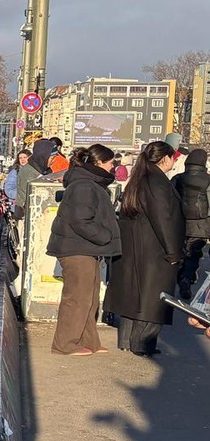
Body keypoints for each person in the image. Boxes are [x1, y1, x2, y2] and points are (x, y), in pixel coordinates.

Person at [104, 141, 188, 355]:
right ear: (165, 158)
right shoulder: (156, 182)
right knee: (154, 299)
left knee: (132, 297)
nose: (174, 162)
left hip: (136, 246)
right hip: (154, 249)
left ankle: (126, 340)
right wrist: (173, 252)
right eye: (173, 158)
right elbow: (163, 219)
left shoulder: (140, 178)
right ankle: (142, 343)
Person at [46, 144, 121, 355]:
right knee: (77, 298)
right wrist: (105, 236)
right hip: (76, 248)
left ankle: (89, 341)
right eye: (111, 163)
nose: (113, 167)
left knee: (89, 297)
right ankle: (65, 344)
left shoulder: (88, 183)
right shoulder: (84, 185)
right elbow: (80, 220)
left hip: (84, 248)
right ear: (99, 163)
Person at [173, 148, 209, 297]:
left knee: (180, 251)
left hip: (180, 222)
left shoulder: (178, 178)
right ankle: (186, 278)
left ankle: (180, 276)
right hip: (201, 224)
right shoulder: (208, 179)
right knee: (194, 253)